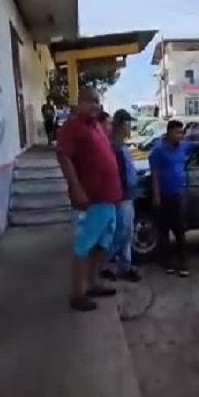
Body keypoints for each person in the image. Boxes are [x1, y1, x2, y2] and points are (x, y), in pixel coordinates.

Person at [56, 88, 122, 312]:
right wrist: (76, 187)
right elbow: (63, 156)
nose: (95, 105)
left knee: (104, 244)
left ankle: (92, 283)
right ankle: (77, 294)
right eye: (90, 101)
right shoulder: (73, 127)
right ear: (79, 103)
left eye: (97, 101)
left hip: (109, 197)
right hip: (92, 199)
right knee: (85, 246)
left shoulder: (96, 127)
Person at [148, 119, 199, 277]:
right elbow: (155, 175)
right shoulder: (158, 151)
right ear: (169, 133)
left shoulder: (184, 146)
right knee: (164, 230)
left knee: (180, 230)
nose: (180, 136)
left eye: (182, 133)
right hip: (165, 194)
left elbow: (197, 145)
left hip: (180, 195)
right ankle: (167, 263)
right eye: (177, 133)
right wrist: (156, 196)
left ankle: (183, 263)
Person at [101, 109, 141, 282]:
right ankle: (104, 264)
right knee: (119, 232)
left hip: (128, 195)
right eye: (127, 124)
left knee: (127, 234)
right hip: (120, 196)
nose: (129, 127)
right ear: (120, 125)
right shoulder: (114, 146)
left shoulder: (121, 145)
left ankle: (125, 266)